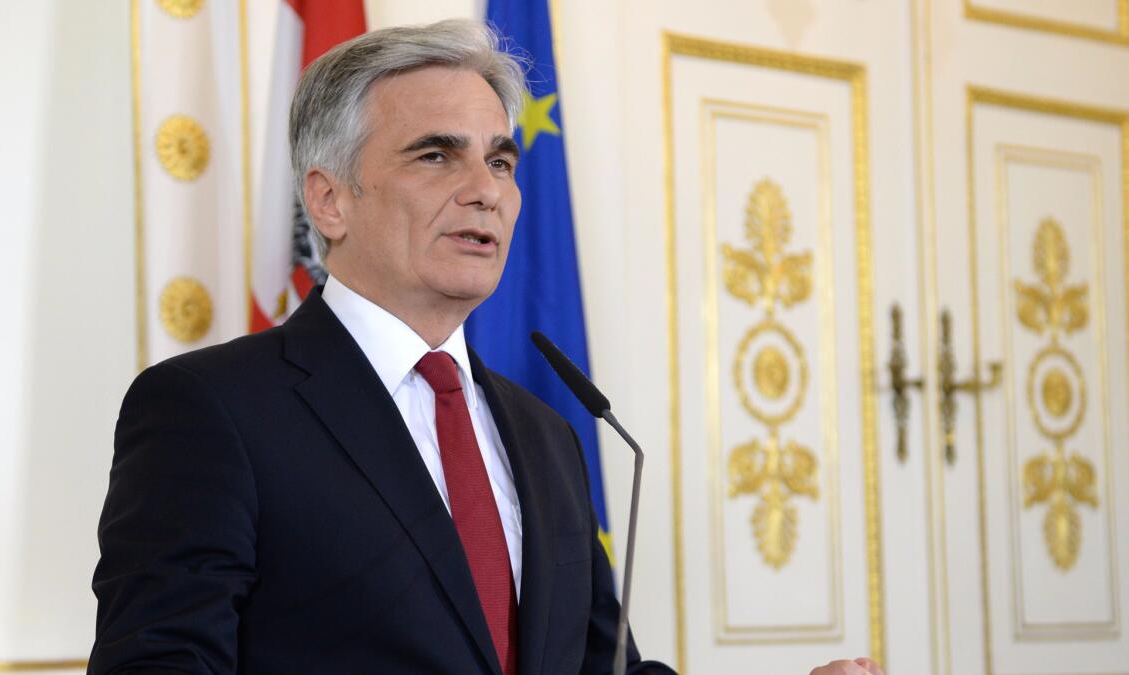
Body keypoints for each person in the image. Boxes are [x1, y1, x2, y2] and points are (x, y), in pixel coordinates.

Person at [90, 19, 882, 675]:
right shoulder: (212, 410)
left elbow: (597, 668)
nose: (487, 189)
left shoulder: (547, 432)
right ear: (329, 199)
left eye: (500, 159)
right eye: (437, 154)